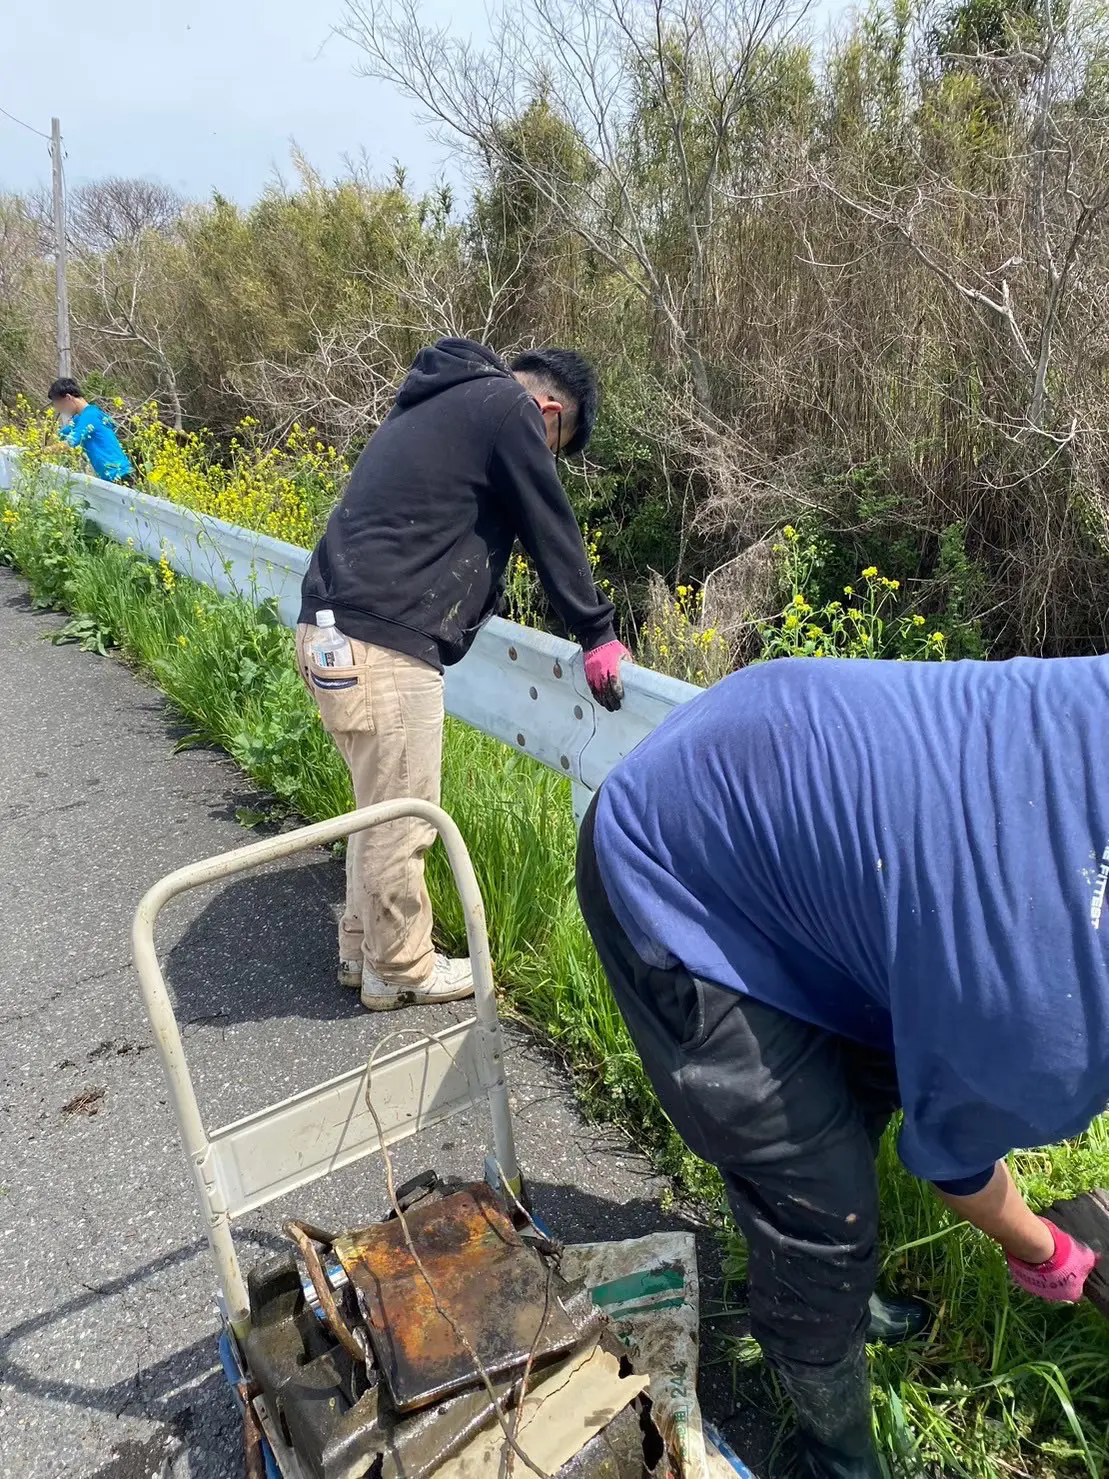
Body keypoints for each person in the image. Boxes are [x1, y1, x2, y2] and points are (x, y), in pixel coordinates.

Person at [575, 653, 1104, 1479]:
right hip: (675, 862)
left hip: (798, 806)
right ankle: (839, 1453)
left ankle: (842, 1304)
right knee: (821, 1214)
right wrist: (1046, 1249)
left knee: (879, 1078)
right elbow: (951, 1165)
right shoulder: (1052, 1031)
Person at [298, 337, 629, 1013]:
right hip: (384, 643)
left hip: (326, 633)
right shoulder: (507, 407)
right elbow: (549, 524)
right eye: (554, 449)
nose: (544, 461)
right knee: (405, 818)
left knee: (376, 807)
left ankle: (360, 949)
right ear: (548, 411)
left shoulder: (438, 401)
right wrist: (595, 629)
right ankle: (401, 968)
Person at [47, 378, 133, 484]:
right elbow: (60, 436)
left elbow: (70, 443)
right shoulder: (80, 419)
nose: (61, 411)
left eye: (60, 406)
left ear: (68, 398)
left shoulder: (90, 415)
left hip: (119, 475)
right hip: (110, 477)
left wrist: (42, 453)